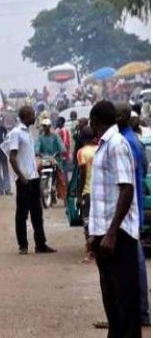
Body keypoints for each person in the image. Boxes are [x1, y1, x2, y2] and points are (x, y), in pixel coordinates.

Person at [88, 101, 141, 337]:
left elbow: (126, 189)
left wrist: (110, 233)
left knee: (125, 299)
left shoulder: (117, 145)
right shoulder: (103, 145)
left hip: (118, 234)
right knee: (111, 298)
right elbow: (101, 194)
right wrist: (95, 233)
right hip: (105, 233)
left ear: (95, 121)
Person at [116, 102, 150, 327]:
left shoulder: (126, 142)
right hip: (134, 207)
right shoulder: (134, 141)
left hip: (129, 209)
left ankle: (140, 313)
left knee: (134, 264)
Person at [8, 106, 56, 255]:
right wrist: (22, 177)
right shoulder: (16, 133)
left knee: (37, 213)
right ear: (26, 116)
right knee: (22, 214)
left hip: (34, 178)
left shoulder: (28, 133)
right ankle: (23, 245)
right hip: (25, 180)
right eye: (33, 115)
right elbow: (12, 157)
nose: (35, 117)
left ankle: (40, 244)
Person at [75, 126, 97, 263]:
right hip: (101, 191)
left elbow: (82, 174)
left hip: (88, 192)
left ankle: (90, 252)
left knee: (88, 222)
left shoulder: (82, 152)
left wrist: (78, 193)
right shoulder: (100, 148)